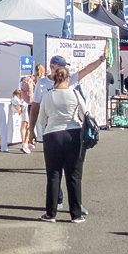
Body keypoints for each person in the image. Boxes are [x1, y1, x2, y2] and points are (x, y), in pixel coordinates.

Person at [37, 65, 88, 223]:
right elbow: (84, 114)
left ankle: (51, 214)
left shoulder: (47, 96)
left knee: (53, 176)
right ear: (67, 79)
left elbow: (41, 120)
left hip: (52, 135)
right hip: (73, 134)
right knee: (74, 176)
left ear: (54, 79)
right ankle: (76, 214)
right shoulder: (75, 93)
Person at [19, 65, 45, 152]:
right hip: (41, 104)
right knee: (47, 124)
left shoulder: (31, 79)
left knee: (30, 126)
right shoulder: (43, 81)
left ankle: (25, 143)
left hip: (31, 104)